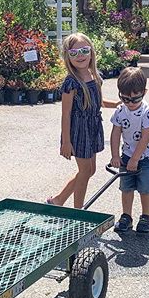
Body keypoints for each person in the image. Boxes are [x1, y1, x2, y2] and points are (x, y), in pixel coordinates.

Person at [47, 33, 117, 208]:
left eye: (84, 50)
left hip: (92, 127)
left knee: (90, 170)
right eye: (74, 53)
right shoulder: (71, 83)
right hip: (78, 131)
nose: (80, 56)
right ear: (67, 56)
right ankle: (78, 211)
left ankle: (58, 200)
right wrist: (66, 142)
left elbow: (97, 101)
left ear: (91, 52)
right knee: (85, 171)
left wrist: (116, 104)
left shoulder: (95, 76)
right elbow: (66, 114)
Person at [109, 67, 149, 233]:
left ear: (144, 92)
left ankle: (146, 217)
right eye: (125, 99)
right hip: (127, 155)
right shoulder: (120, 111)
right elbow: (116, 133)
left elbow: (145, 138)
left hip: (147, 157)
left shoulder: (148, 112)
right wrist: (115, 156)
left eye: (134, 99)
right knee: (126, 187)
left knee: (145, 188)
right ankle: (126, 216)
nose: (130, 103)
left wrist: (136, 159)